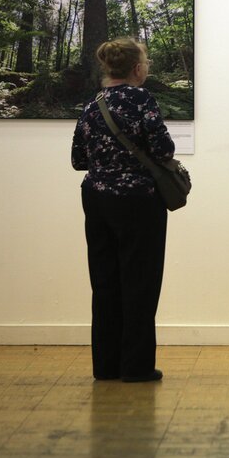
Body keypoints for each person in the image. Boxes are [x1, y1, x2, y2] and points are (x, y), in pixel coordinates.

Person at [71, 38, 175, 383]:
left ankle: (106, 366)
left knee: (104, 284)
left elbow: (77, 160)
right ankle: (136, 367)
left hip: (97, 199)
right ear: (136, 69)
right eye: (145, 62)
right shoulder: (142, 99)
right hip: (138, 200)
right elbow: (163, 148)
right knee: (140, 283)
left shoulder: (92, 103)